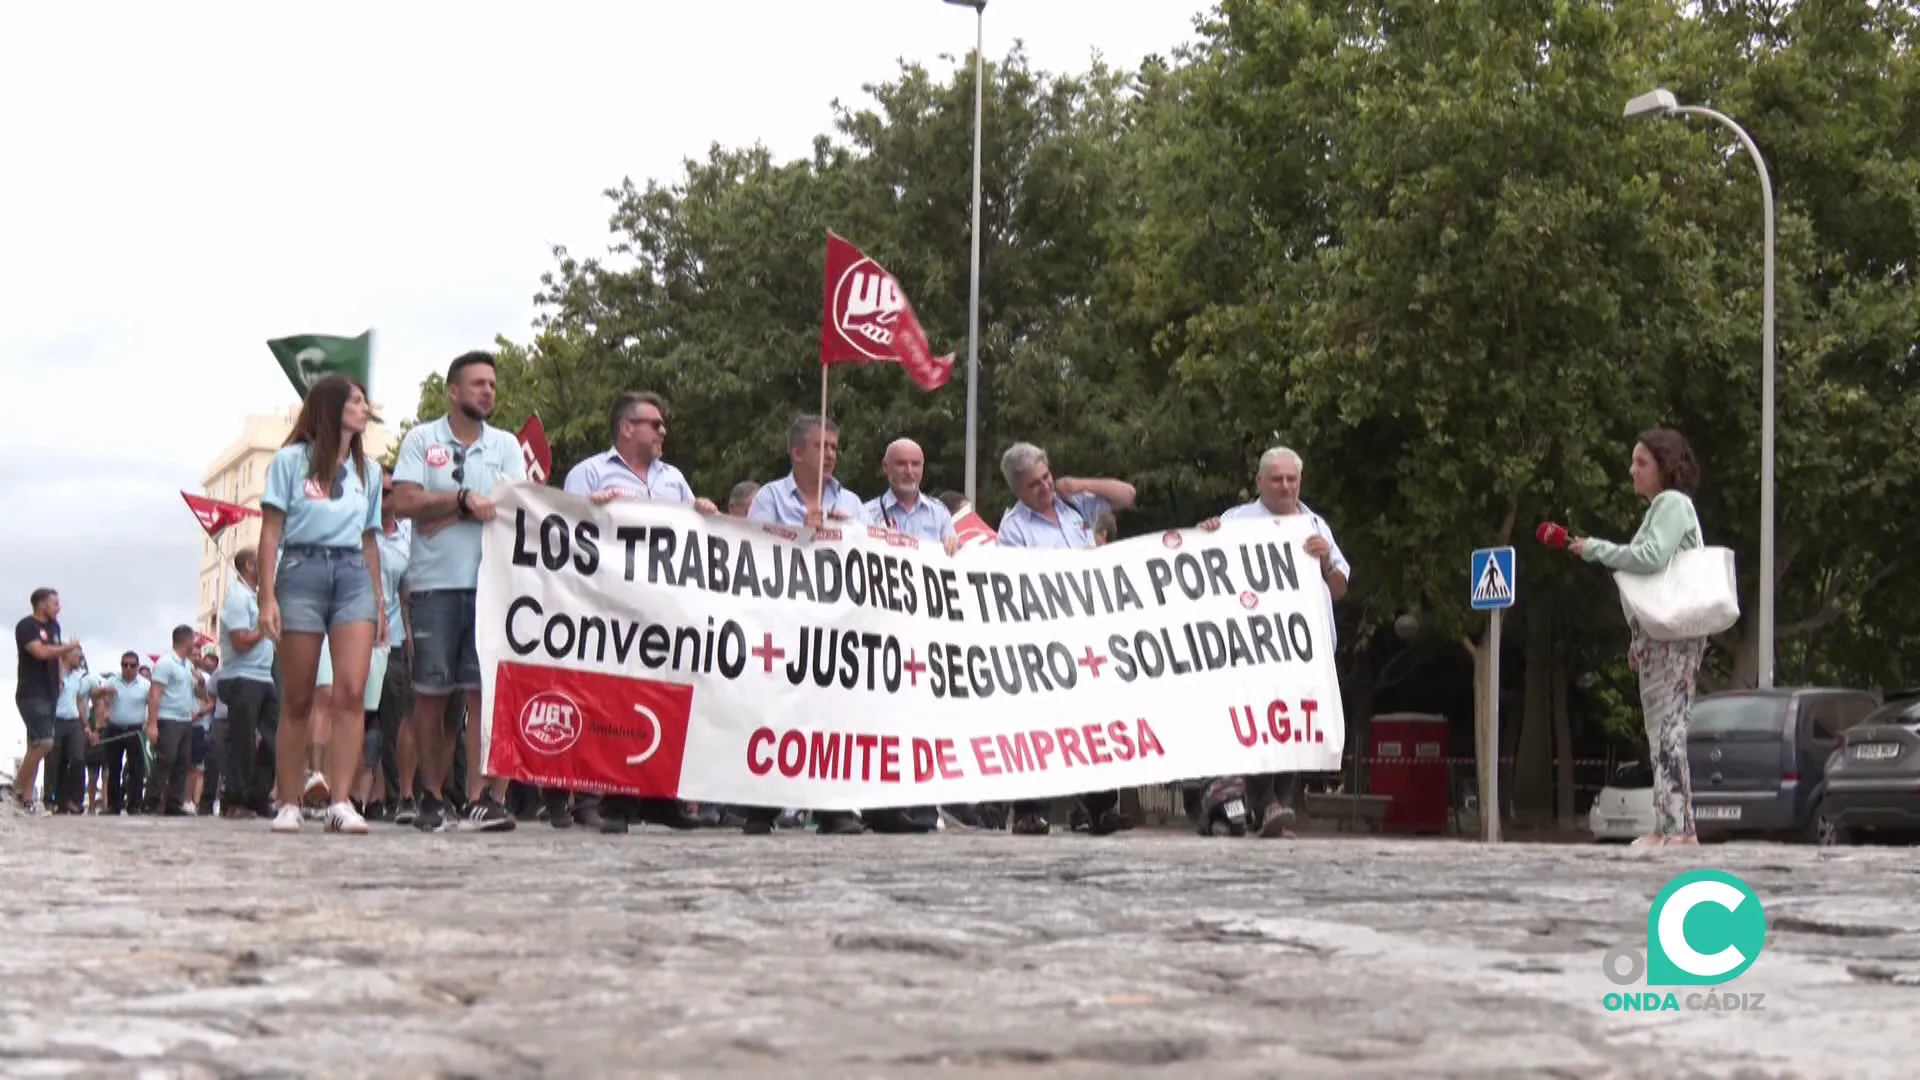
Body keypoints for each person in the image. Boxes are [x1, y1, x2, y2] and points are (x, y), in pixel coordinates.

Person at [388, 350, 523, 833]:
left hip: (492, 587)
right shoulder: (423, 439)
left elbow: (514, 508)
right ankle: (430, 794)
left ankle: (479, 797)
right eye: (477, 383)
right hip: (434, 585)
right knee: (431, 695)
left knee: (480, 696)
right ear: (453, 391)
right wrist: (460, 501)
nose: (488, 390)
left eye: (492, 383)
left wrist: (444, 513)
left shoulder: (506, 445)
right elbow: (402, 501)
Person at [256, 373, 387, 835]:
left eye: (365, 401)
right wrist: (266, 595)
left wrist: (380, 601)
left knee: (351, 693)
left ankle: (340, 801)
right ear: (331, 407)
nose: (364, 408)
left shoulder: (368, 471)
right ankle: (289, 800)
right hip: (301, 571)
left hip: (353, 574)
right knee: (299, 695)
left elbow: (371, 540)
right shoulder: (291, 461)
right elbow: (271, 529)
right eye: (355, 401)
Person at [1200, 446, 1350, 839]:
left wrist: (1326, 563)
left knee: (1294, 726)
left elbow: (1339, 588)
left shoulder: (1315, 523)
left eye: (1292, 479)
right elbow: (1204, 569)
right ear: (1260, 482)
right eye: (1277, 479)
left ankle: (1276, 805)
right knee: (1260, 725)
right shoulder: (1237, 521)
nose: (1286, 486)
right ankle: (1266, 804)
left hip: (1307, 650)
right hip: (1256, 646)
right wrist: (1206, 537)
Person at [1567, 428, 1706, 849]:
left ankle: (1679, 830)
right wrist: (1638, 641)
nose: (1632, 470)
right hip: (1661, 637)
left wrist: (1596, 549)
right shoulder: (1663, 508)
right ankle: (1669, 825)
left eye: (1641, 462)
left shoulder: (1672, 504)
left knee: (1668, 730)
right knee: (1660, 731)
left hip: (1675, 636)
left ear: (1665, 467)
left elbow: (1649, 559)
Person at [995, 441, 1137, 836]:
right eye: (1034, 485)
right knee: (1038, 720)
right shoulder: (1014, 528)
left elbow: (1127, 495)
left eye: (1047, 477)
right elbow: (1013, 585)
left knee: (1096, 718)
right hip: (1045, 636)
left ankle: (1101, 807)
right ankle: (1028, 810)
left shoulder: (1076, 505)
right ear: (1017, 490)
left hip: (1090, 632)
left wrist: (1081, 484)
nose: (1045, 488)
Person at [13, 588, 80, 812]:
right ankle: (15, 790)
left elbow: (56, 656)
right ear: (42, 605)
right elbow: (40, 652)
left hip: (50, 693)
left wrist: (60, 679)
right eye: (54, 603)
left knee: (35, 746)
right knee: (44, 743)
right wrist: (68, 647)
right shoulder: (27, 626)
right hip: (32, 693)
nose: (58, 607)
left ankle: (26, 798)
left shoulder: (54, 626)